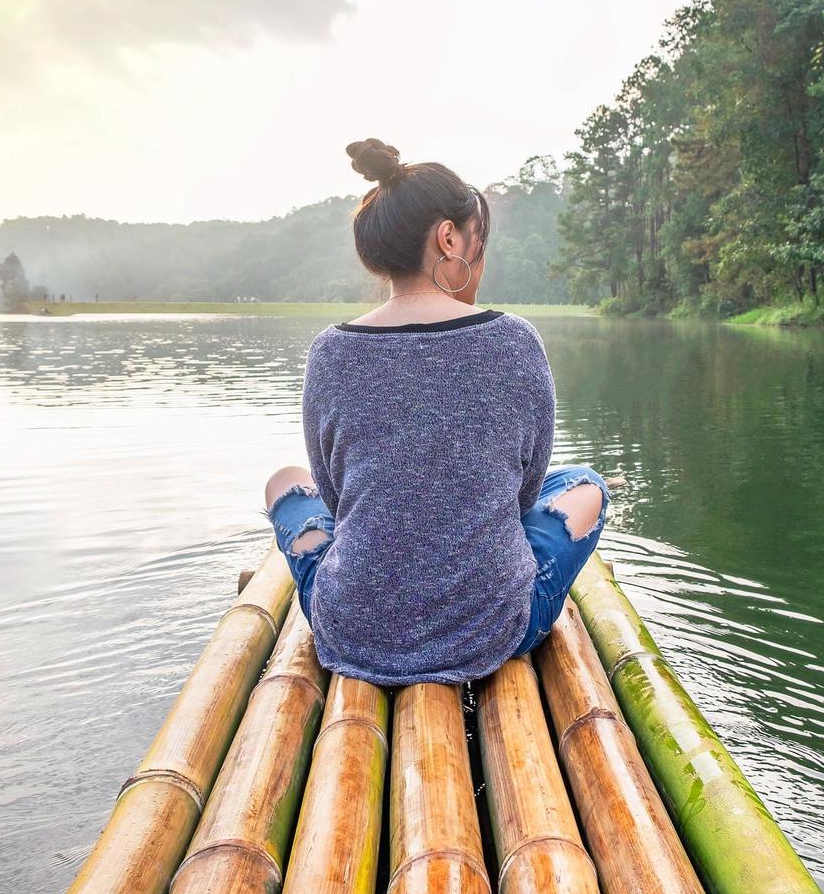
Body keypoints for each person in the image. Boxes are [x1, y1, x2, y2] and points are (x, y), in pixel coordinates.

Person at [260, 138, 610, 687]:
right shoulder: (516, 341)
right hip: (491, 630)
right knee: (584, 484)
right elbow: (523, 495)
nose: (481, 262)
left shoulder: (330, 351)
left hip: (353, 630)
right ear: (448, 238)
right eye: (479, 244)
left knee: (285, 482)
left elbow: (334, 497)